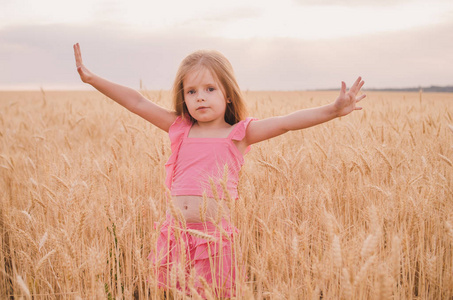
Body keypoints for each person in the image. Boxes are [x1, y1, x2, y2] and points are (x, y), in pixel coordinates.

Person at [73, 43, 366, 298]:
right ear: (184, 97)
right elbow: (136, 101)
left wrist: (332, 110)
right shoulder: (180, 128)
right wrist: (91, 78)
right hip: (176, 233)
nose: (200, 97)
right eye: (192, 91)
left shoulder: (239, 134)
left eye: (210, 89)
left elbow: (287, 121)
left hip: (214, 240)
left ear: (227, 94)